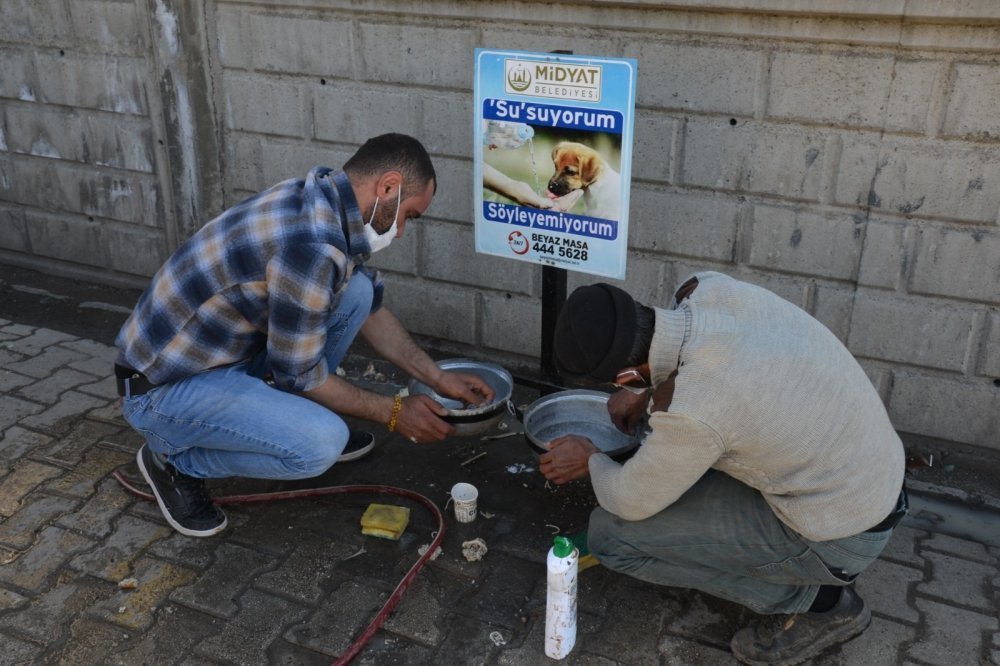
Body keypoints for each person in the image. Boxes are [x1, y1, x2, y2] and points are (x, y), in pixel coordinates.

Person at [115, 133, 494, 538]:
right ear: (388, 188)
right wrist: (395, 412)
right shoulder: (313, 246)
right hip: (162, 391)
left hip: (217, 357)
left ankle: (289, 419)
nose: (401, 231)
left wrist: (437, 377)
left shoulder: (325, 199)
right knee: (319, 446)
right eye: (409, 215)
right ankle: (175, 463)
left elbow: (372, 311)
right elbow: (301, 373)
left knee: (359, 293)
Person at [540, 271, 907, 665]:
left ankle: (823, 602)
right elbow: (706, 369)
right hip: (872, 475)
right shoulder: (706, 289)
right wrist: (643, 391)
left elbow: (628, 500)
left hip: (842, 532)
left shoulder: (696, 408)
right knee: (685, 461)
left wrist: (589, 458)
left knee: (610, 535)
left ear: (624, 376)